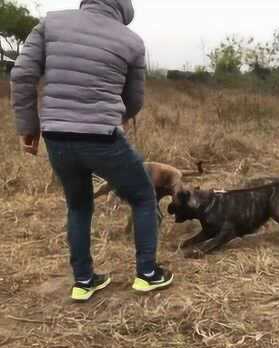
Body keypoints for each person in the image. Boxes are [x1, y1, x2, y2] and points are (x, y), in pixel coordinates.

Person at [10, 0, 173, 302]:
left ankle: (83, 281)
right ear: (123, 11)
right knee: (143, 196)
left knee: (78, 205)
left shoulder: (50, 23)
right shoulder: (131, 41)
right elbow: (134, 99)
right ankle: (147, 274)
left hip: (56, 136)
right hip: (103, 137)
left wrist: (28, 127)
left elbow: (21, 75)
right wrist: (114, 117)